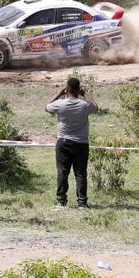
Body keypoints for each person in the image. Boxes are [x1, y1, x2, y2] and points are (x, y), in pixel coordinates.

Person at [45, 78, 98, 208]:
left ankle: (61, 201)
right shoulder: (85, 105)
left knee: (62, 172)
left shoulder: (60, 104)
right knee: (81, 173)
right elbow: (96, 107)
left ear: (67, 89)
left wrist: (59, 93)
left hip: (64, 142)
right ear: (78, 89)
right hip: (81, 143)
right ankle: (82, 202)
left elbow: (47, 107)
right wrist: (84, 94)